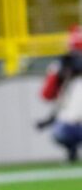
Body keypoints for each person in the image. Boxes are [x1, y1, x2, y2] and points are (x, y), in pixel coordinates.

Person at [39, 25, 82, 162]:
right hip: (70, 126)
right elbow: (47, 95)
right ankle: (72, 151)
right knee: (60, 131)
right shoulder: (64, 71)